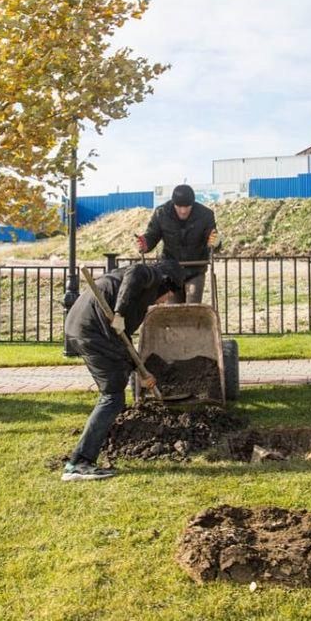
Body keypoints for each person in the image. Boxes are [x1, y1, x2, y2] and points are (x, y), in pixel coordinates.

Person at [61, 260, 185, 481]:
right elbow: (136, 271)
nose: (165, 301)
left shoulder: (136, 295)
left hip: (86, 329)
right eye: (168, 294)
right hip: (91, 330)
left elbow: (123, 340)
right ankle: (79, 463)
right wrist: (119, 313)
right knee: (112, 397)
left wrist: (140, 371)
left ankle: (80, 461)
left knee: (116, 382)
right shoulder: (150, 275)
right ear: (165, 283)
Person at [135, 184, 220, 303]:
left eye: (187, 206)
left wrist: (215, 242)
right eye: (179, 206)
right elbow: (152, 235)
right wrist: (145, 244)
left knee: (193, 306)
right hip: (171, 271)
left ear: (193, 204)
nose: (183, 211)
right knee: (172, 310)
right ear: (173, 203)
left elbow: (211, 238)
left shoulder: (206, 215)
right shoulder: (161, 213)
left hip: (195, 269)